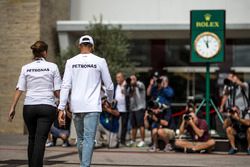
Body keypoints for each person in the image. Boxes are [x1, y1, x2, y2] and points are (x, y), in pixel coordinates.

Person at [57, 35, 114, 167]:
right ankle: (84, 165)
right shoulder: (100, 61)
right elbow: (109, 86)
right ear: (92, 46)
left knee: (81, 139)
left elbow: (65, 86)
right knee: (88, 139)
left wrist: (61, 108)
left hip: (76, 106)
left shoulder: (71, 61)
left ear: (79, 45)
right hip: (92, 106)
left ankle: (84, 164)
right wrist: (110, 100)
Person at [8, 41, 61, 167]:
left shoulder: (25, 68)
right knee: (40, 140)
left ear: (34, 52)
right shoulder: (53, 67)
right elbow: (57, 91)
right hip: (47, 106)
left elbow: (19, 89)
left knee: (32, 138)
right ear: (45, 52)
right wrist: (64, 105)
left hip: (29, 107)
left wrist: (12, 107)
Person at [126, 74, 146, 147]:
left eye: (133, 79)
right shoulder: (130, 87)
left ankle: (143, 141)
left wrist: (133, 83)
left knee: (141, 125)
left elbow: (136, 85)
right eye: (130, 79)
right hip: (133, 108)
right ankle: (133, 140)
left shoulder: (140, 84)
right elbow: (127, 94)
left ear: (136, 79)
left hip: (140, 108)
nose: (131, 80)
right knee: (133, 126)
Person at [114, 72, 129, 146]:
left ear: (123, 78)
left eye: (119, 77)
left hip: (125, 109)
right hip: (117, 108)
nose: (117, 79)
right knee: (115, 124)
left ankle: (123, 141)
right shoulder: (116, 86)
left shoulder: (127, 85)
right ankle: (115, 139)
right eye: (117, 77)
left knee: (124, 125)